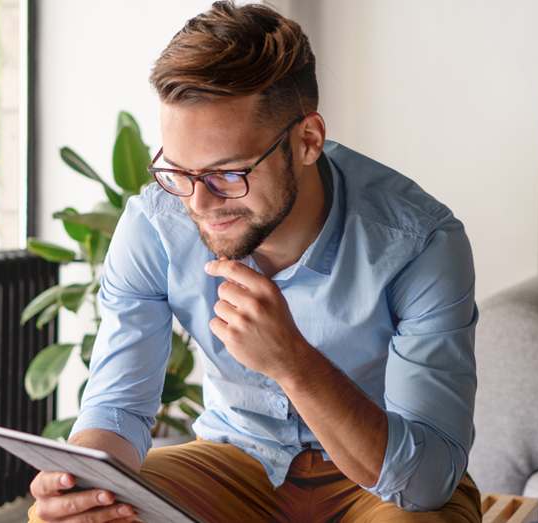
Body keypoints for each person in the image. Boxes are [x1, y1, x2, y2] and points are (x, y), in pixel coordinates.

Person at [29, 2, 480, 522]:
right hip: (234, 459)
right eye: (178, 172)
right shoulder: (155, 225)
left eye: (227, 174)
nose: (197, 205)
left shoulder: (420, 242)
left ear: (308, 140)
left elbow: (426, 481)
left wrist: (293, 361)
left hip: (380, 478)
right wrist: (83, 482)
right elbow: (118, 407)